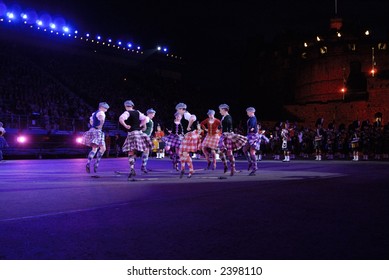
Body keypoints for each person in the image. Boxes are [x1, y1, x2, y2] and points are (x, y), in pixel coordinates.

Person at [119, 100, 152, 179]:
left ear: (125, 106)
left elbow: (121, 119)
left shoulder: (127, 113)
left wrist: (125, 125)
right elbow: (145, 119)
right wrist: (141, 124)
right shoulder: (137, 112)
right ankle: (143, 165)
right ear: (132, 106)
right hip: (139, 133)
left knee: (131, 151)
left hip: (132, 134)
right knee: (146, 148)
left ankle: (132, 168)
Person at [218, 104, 247, 176]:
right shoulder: (224, 117)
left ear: (224, 110)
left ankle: (233, 168)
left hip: (227, 135)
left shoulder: (228, 117)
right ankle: (225, 166)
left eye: (220, 110)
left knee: (229, 153)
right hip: (223, 135)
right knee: (220, 152)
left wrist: (229, 133)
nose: (219, 111)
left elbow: (229, 125)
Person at [82, 102, 110, 173]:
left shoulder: (94, 113)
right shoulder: (101, 113)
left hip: (92, 130)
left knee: (94, 149)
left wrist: (94, 126)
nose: (106, 110)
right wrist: (100, 126)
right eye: (105, 108)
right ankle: (96, 164)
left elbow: (91, 121)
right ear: (101, 107)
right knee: (103, 148)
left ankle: (88, 162)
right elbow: (101, 119)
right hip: (98, 131)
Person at [242, 107, 268, 175]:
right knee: (244, 149)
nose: (247, 113)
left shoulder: (253, 118)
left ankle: (254, 167)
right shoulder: (251, 118)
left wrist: (252, 129)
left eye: (248, 112)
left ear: (251, 112)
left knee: (252, 152)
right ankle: (250, 162)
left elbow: (253, 126)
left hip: (253, 137)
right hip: (250, 136)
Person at [141, 108, 156, 173]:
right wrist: (143, 127)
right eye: (153, 114)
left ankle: (143, 166)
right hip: (144, 136)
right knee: (146, 151)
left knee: (146, 151)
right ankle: (143, 166)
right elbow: (141, 124)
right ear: (150, 113)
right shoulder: (146, 118)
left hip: (147, 136)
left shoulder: (150, 120)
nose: (153, 115)